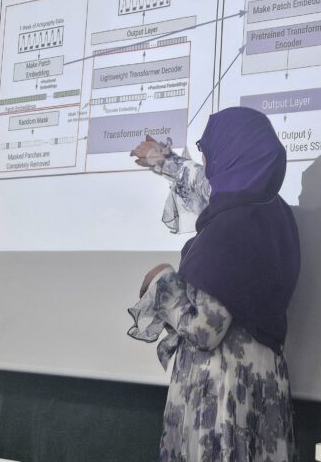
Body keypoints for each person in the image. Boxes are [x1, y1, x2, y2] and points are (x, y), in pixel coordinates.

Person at [127, 107, 301, 462]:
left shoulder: (230, 227)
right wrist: (163, 159)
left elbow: (206, 329)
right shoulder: (270, 211)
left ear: (230, 156)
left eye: (208, 152)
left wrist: (160, 280)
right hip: (258, 391)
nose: (206, 162)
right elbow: (211, 187)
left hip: (223, 399)